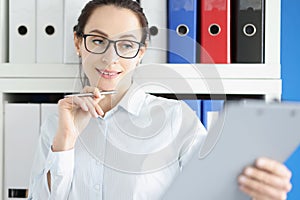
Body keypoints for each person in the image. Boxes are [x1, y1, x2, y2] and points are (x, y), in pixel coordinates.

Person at [28, 0, 292, 199]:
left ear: (141, 52)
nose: (110, 59)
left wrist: (256, 191)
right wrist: (66, 142)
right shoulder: (55, 126)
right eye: (98, 41)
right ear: (78, 42)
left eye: (127, 45)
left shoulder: (176, 119)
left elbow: (214, 193)